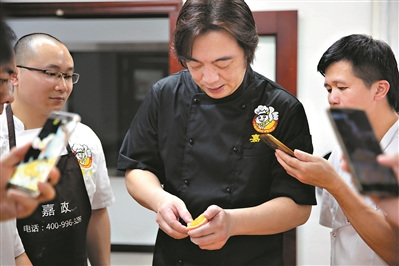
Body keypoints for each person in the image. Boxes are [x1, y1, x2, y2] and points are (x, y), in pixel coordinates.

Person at [117, 0, 316, 265]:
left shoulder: (280, 108)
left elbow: (297, 207)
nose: (209, 78)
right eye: (195, 65)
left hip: (251, 258)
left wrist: (233, 223)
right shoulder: (165, 95)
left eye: (223, 64)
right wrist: (159, 199)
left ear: (248, 49)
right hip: (176, 256)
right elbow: (137, 167)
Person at [275, 34, 399, 265]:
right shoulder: (350, 145)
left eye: (341, 87)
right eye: (329, 89)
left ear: (380, 90)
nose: (332, 99)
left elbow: (395, 250)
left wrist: (334, 183)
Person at [0, 32, 115, 266]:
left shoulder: (81, 136)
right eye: (51, 73)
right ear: (15, 75)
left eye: (69, 76)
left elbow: (98, 211)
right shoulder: (2, 139)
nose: (62, 86)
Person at [0, 16, 59, 266]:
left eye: (68, 75)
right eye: (3, 80)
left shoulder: (83, 135)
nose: (8, 96)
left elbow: (12, 248)